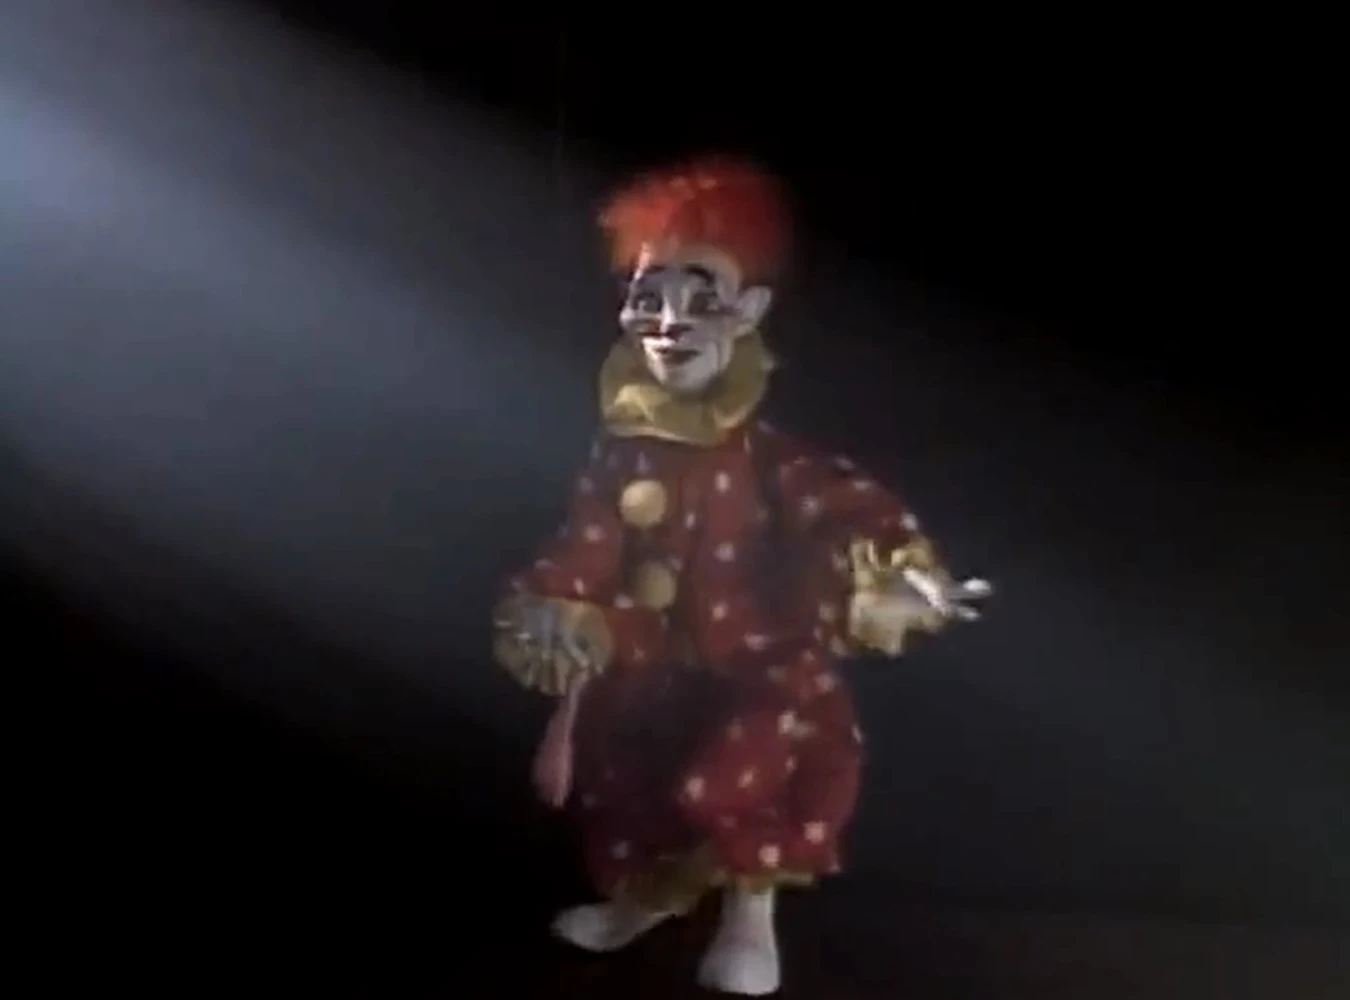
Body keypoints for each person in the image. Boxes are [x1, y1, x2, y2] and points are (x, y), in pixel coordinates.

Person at [492, 157, 989, 996]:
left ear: (749, 312)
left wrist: (887, 576)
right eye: (648, 297)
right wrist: (555, 607)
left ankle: (749, 923)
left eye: (700, 299)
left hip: (754, 667)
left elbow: (834, 503)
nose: (669, 321)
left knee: (739, 782)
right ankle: (644, 904)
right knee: (635, 789)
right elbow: (589, 542)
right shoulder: (620, 452)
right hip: (648, 669)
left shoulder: (762, 455)